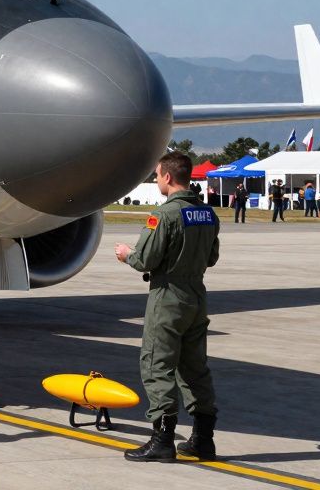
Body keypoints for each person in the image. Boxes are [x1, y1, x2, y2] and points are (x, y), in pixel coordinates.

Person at [115, 151, 219, 462]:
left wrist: (127, 254)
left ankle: (162, 440)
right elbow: (212, 257)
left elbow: (145, 260)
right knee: (195, 369)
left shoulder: (163, 215)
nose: (156, 179)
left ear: (168, 177)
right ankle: (203, 440)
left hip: (168, 297)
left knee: (156, 365)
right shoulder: (207, 214)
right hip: (196, 297)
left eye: (158, 175)